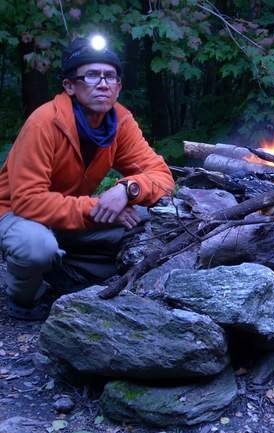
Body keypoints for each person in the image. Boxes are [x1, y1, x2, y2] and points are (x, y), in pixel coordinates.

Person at [0, 35, 175, 320]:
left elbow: (162, 177)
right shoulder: (45, 122)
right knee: (37, 246)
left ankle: (65, 274)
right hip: (15, 213)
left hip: (67, 212)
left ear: (118, 87)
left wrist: (128, 189)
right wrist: (96, 208)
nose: (103, 83)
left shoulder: (119, 122)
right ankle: (24, 299)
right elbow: (27, 201)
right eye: (92, 76)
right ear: (69, 86)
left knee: (145, 218)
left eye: (110, 76)